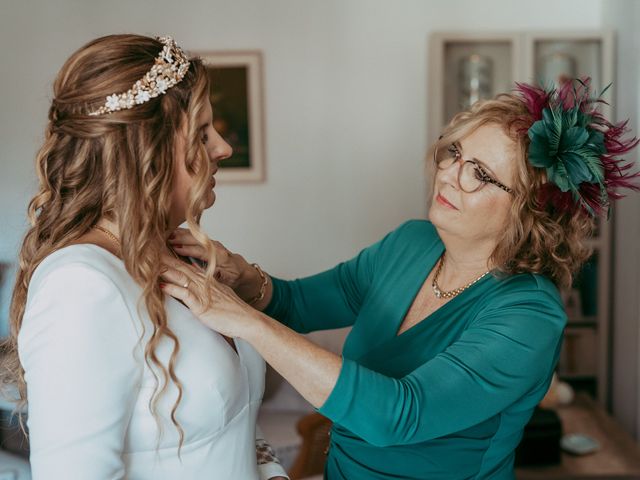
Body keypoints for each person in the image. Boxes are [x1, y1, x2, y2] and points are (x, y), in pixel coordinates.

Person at [161, 79, 639, 479]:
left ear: (529, 212)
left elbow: (398, 415)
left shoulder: (528, 316)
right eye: (455, 153)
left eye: (480, 173)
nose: (449, 175)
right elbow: (299, 303)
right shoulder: (412, 242)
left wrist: (242, 320)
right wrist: (245, 279)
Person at [0, 34, 288, 480]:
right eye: (203, 133)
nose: (223, 149)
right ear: (144, 149)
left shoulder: (178, 253)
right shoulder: (81, 286)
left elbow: (233, 426)